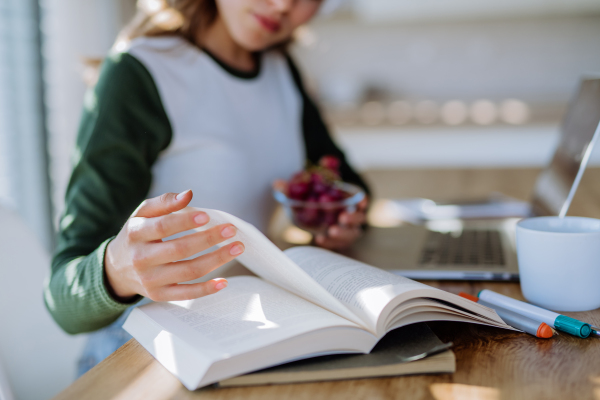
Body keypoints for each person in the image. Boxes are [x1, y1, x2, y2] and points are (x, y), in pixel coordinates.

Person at [44, 0, 370, 375]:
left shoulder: (280, 70)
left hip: (246, 335)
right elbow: (62, 299)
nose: (283, 5)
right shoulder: (138, 73)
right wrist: (117, 271)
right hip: (141, 354)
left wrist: (339, 219)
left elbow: (348, 182)